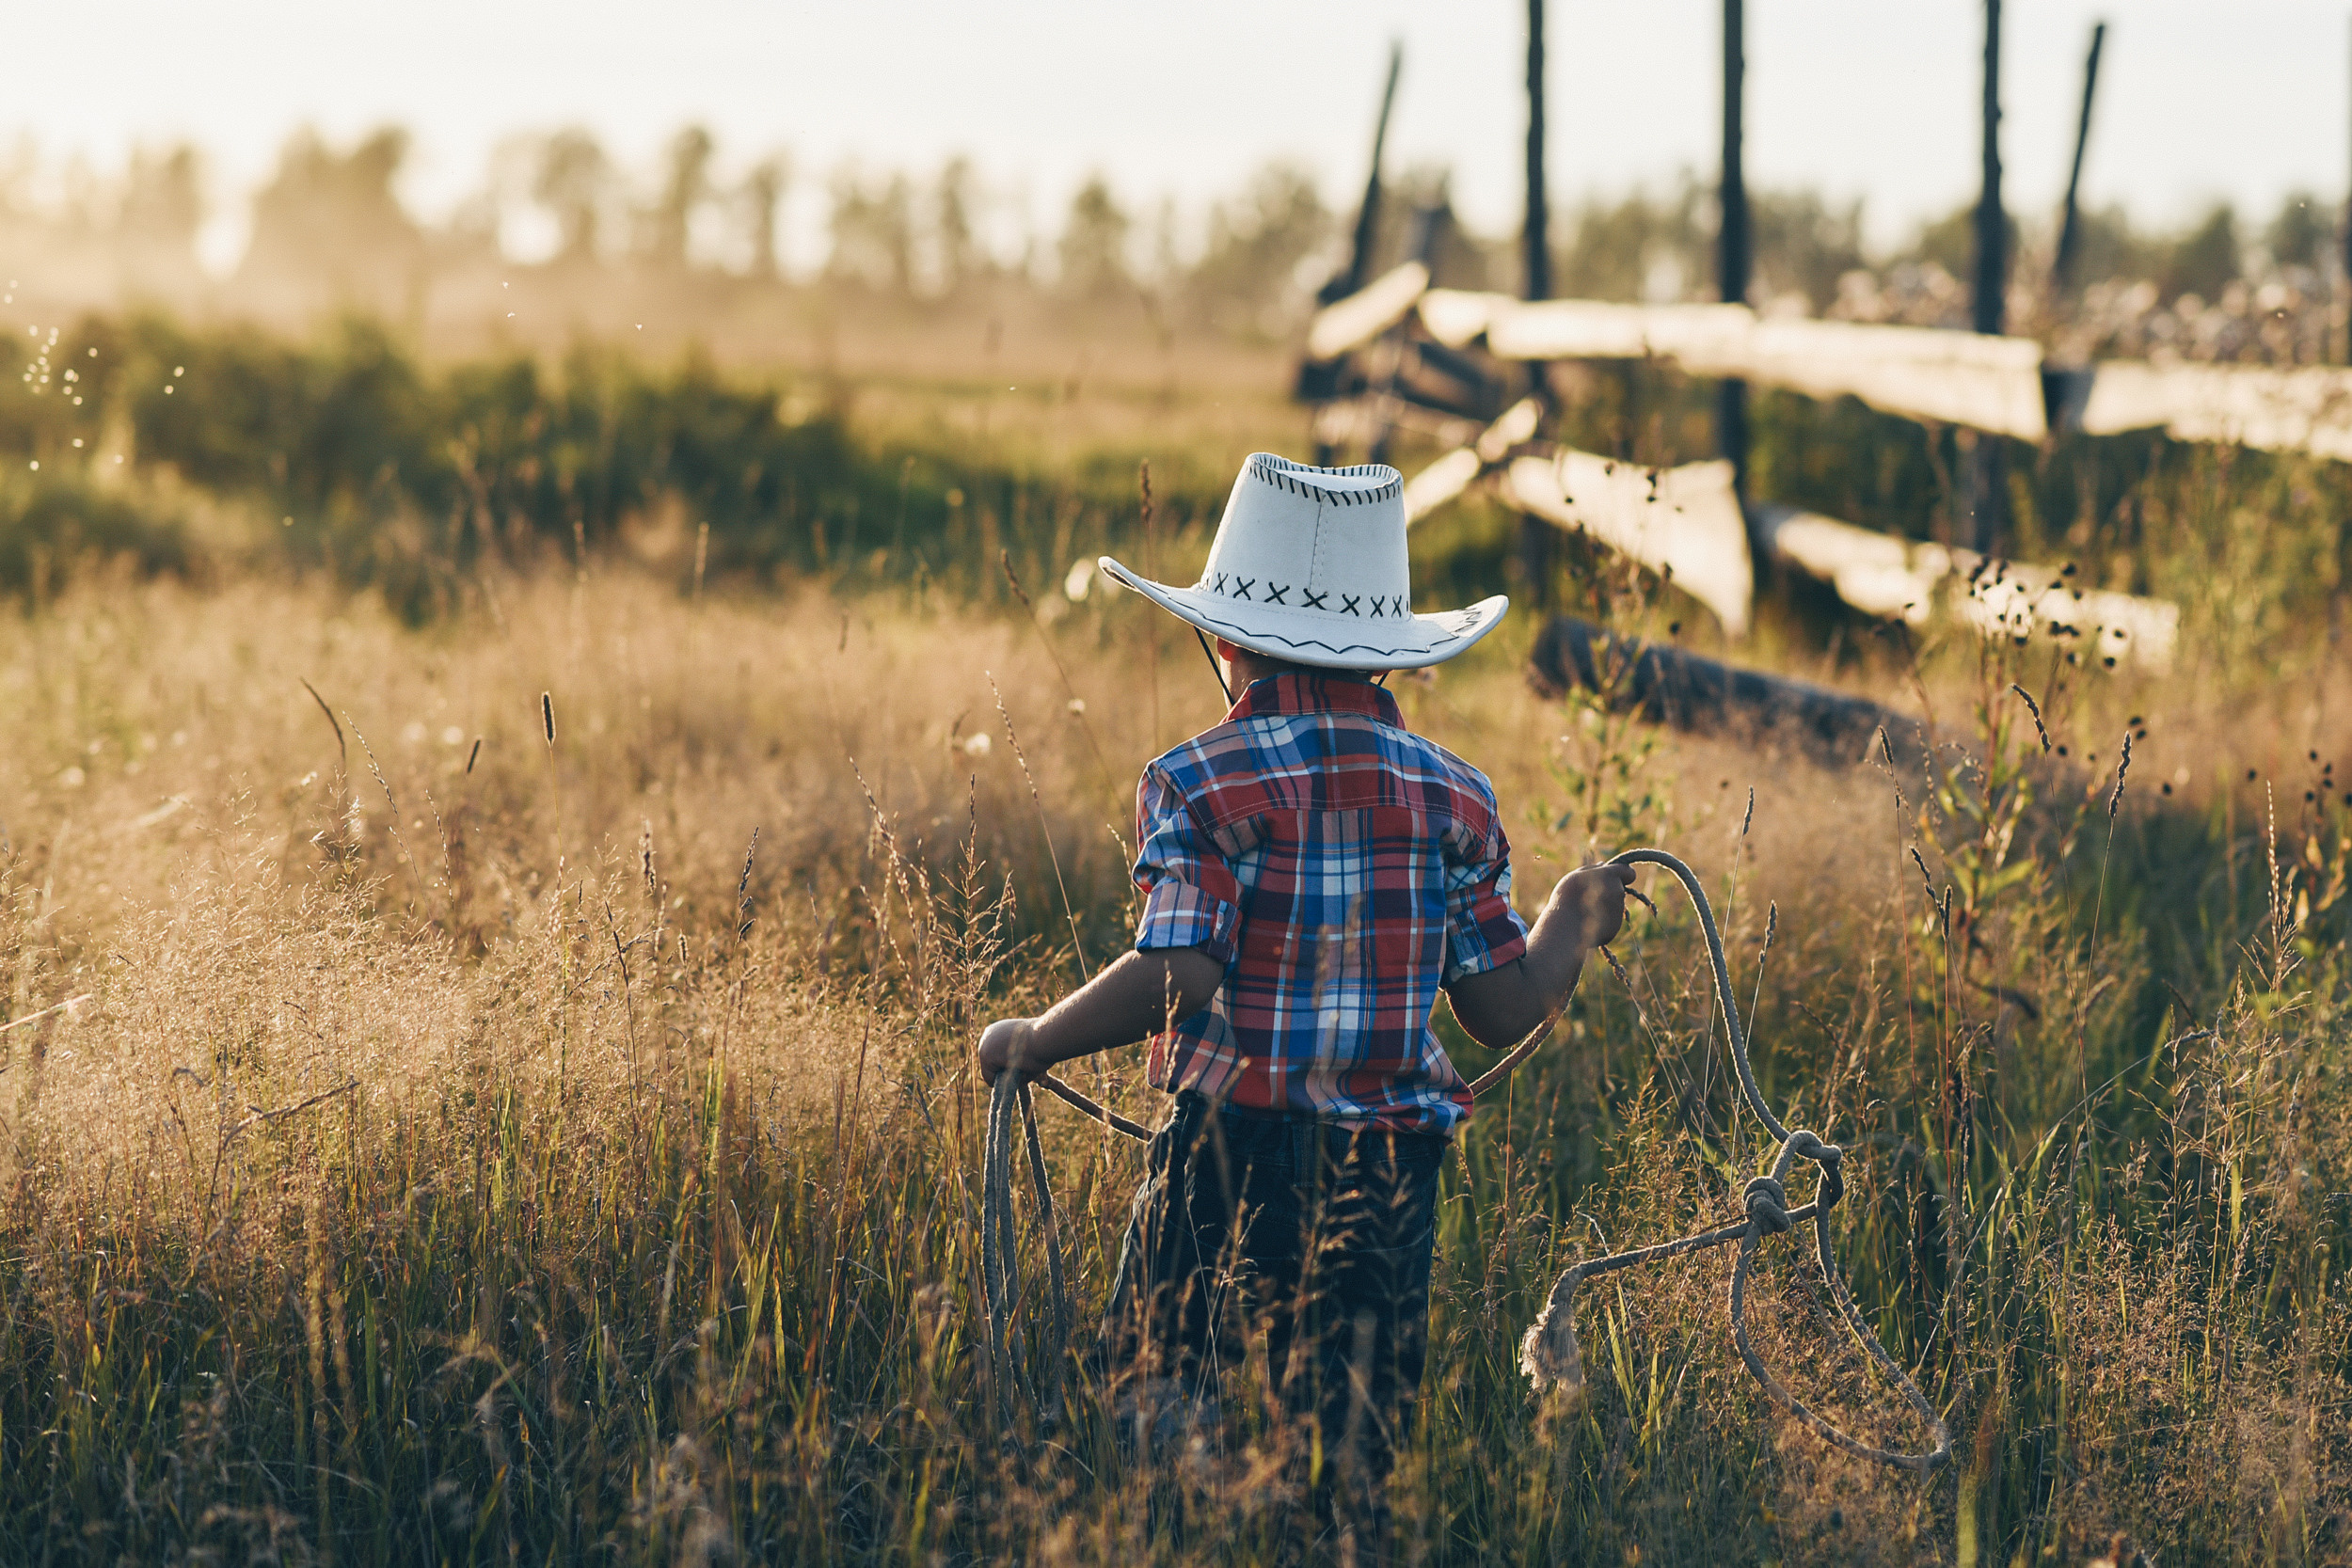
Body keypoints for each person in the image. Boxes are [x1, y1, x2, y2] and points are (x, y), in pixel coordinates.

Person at [977, 452, 1632, 1562]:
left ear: (1223, 643)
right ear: (1391, 662)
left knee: (1160, 1387)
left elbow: (1181, 971)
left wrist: (1034, 1041)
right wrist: (1570, 920)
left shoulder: (1197, 779)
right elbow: (1497, 1005)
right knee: (1353, 1435)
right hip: (1387, 1173)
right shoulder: (1453, 793)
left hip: (1228, 1151)